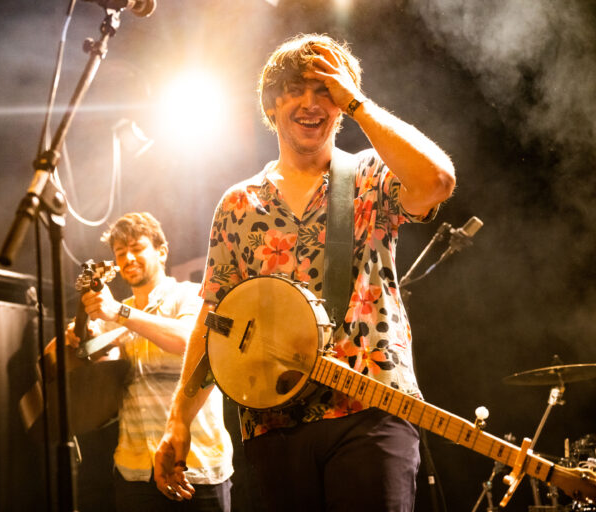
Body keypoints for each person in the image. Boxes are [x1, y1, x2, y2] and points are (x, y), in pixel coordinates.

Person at [154, 33, 456, 511]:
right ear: (272, 104)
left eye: (326, 91)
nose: (312, 104)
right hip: (272, 421)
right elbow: (214, 318)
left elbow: (437, 182)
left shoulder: (370, 176)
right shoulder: (238, 204)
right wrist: (179, 419)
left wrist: (357, 102)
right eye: (297, 89)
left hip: (370, 409)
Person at [65, 212, 234, 512]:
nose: (128, 257)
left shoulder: (190, 295)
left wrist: (119, 313)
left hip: (195, 467)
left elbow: (188, 340)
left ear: (162, 251)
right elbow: (78, 355)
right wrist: (76, 334)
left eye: (137, 248)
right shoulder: (114, 313)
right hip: (134, 472)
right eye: (120, 253)